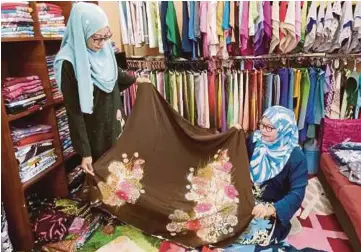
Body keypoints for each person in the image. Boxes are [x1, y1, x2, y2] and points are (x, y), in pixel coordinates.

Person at [54, 2, 150, 176]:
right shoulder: (68, 62)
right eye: (97, 38)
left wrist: (136, 79)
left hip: (115, 119)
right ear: (82, 32)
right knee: (105, 177)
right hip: (94, 130)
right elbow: (74, 111)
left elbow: (114, 72)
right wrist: (85, 153)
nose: (102, 43)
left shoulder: (104, 48)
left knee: (124, 170)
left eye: (106, 36)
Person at [234, 105, 308, 244]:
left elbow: (297, 193)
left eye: (270, 127)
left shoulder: (296, 157)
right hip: (246, 199)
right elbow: (238, 154)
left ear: (283, 129)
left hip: (271, 209)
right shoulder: (255, 140)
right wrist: (236, 136)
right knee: (219, 224)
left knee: (245, 237)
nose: (263, 130)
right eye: (262, 124)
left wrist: (271, 210)